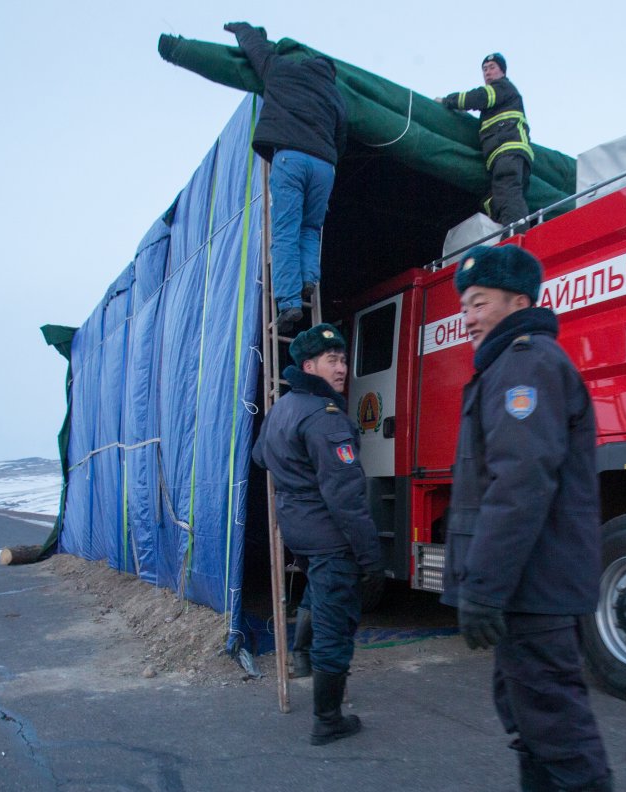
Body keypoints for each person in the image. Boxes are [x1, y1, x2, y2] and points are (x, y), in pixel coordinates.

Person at [443, 245, 617, 792]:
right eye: (464, 304)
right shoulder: (506, 366)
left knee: (552, 709)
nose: (468, 315)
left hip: (533, 583)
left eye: (478, 302)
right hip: (525, 580)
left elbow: (519, 484)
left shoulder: (525, 365)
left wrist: (484, 586)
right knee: (519, 700)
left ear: (518, 301)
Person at [251, 323, 381, 745]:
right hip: (329, 535)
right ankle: (328, 719)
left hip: (299, 530)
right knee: (335, 622)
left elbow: (259, 457)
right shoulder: (324, 417)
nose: (342, 367)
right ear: (309, 365)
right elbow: (346, 495)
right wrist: (371, 556)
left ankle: (303, 658)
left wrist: (295, 479)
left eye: (343, 359)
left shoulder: (283, 408)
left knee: (317, 594)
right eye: (332, 360)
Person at [225, 21, 347, 335]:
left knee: (285, 231)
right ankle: (308, 278)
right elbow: (341, 137)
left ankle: (289, 301)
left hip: (290, 157)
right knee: (310, 227)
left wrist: (243, 29)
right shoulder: (335, 96)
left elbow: (256, 50)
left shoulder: (283, 71)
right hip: (324, 166)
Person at [436, 53, 533, 228]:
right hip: (507, 157)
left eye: (492, 67)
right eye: (485, 69)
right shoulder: (500, 101)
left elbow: (477, 98)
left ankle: (516, 236)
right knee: (491, 200)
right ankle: (504, 233)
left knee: (508, 195)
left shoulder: (502, 87)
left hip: (507, 153)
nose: (487, 72)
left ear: (502, 71)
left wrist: (447, 101)